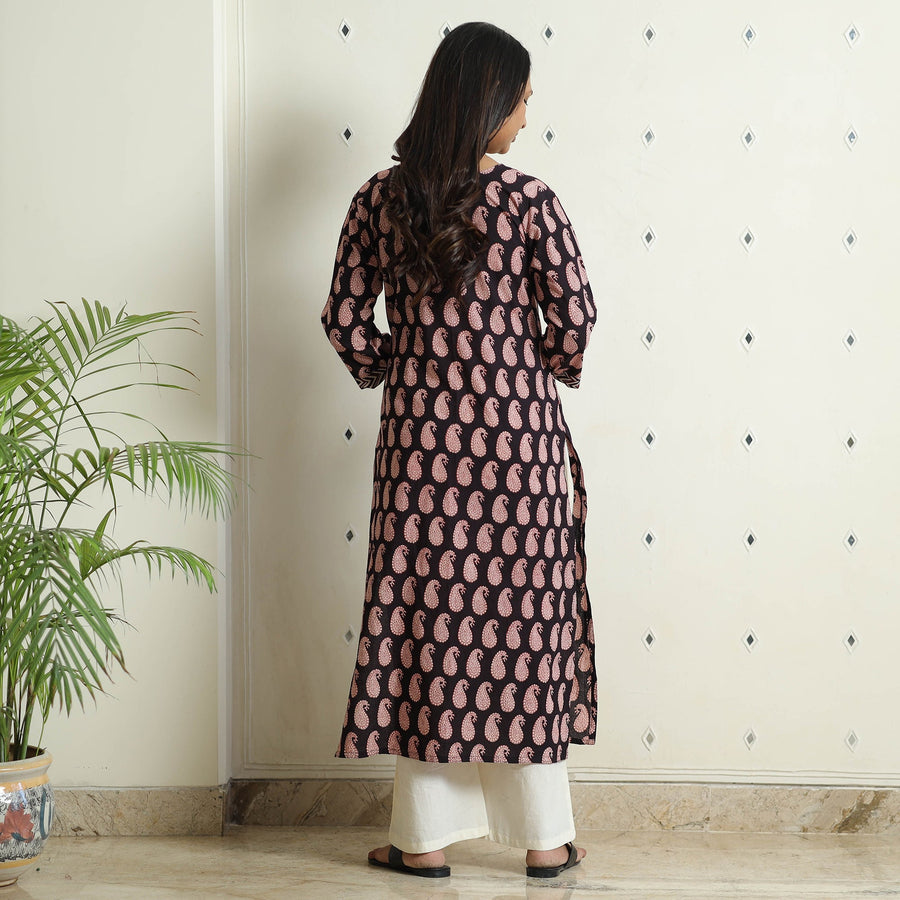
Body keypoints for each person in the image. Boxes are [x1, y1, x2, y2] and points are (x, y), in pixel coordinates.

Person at [321, 21, 597, 879]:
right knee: (525, 628)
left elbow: (343, 317)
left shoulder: (380, 199)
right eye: (521, 100)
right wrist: (535, 370)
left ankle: (422, 842)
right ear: (487, 101)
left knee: (427, 630)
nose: (527, 117)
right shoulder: (530, 202)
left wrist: (397, 368)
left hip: (420, 453)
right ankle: (545, 843)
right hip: (520, 449)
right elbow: (576, 319)